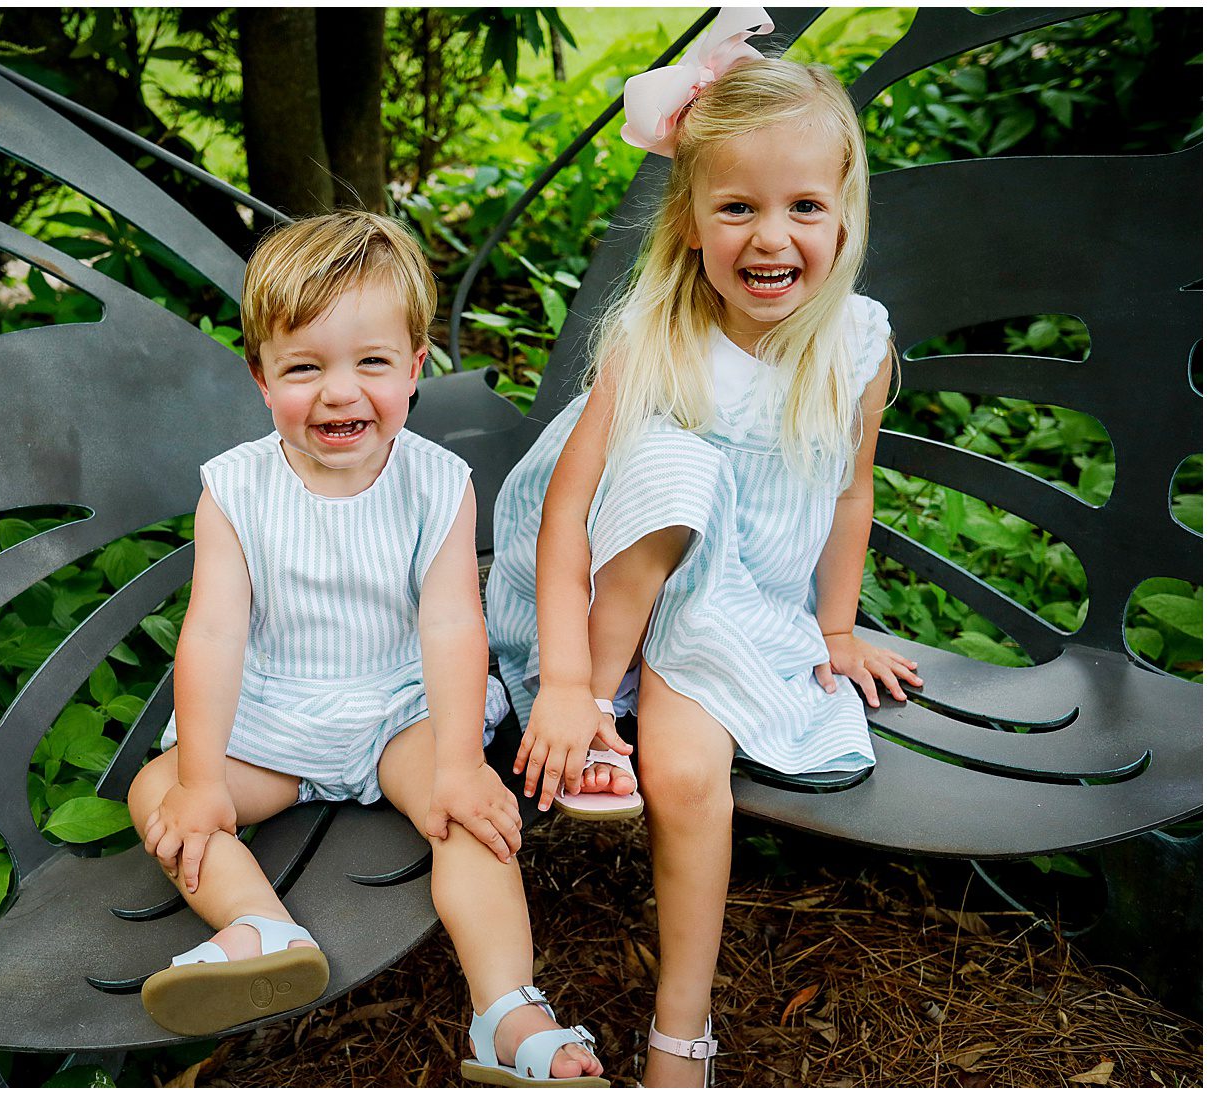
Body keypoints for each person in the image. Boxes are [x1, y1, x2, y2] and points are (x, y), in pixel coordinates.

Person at [485, 9, 923, 1086]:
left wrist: (833, 624)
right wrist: (565, 680)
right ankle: (592, 704)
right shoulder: (657, 339)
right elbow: (564, 512)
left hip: (733, 601)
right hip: (615, 580)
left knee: (685, 775)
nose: (771, 239)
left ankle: (680, 1034)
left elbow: (850, 490)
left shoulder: (857, 344)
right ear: (690, 221)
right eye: (738, 207)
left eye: (803, 207)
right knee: (678, 470)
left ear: (843, 213)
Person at [127, 210, 608, 1086]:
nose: (338, 393)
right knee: (158, 793)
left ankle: (506, 1010)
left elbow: (452, 625)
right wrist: (201, 780)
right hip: (275, 715)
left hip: (401, 710)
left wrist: (460, 761)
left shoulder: (436, 481)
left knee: (470, 817)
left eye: (371, 363)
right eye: (303, 367)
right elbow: (213, 632)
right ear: (260, 377)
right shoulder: (235, 488)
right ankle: (260, 928)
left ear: (416, 367)